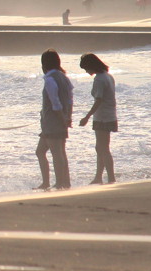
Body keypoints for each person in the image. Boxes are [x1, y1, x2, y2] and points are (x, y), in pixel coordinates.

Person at [34, 49, 73, 190]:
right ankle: (56, 182)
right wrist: (68, 117)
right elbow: (69, 100)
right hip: (55, 121)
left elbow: (55, 103)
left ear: (44, 64)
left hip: (53, 121)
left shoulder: (50, 79)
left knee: (57, 153)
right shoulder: (64, 77)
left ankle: (61, 183)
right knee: (42, 152)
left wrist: (62, 118)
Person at [78, 54, 117, 185]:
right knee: (101, 147)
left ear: (92, 66)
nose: (86, 71)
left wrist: (87, 117)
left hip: (103, 117)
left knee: (102, 148)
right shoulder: (108, 76)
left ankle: (110, 178)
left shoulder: (100, 79)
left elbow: (98, 100)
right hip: (110, 115)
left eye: (86, 68)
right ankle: (99, 177)